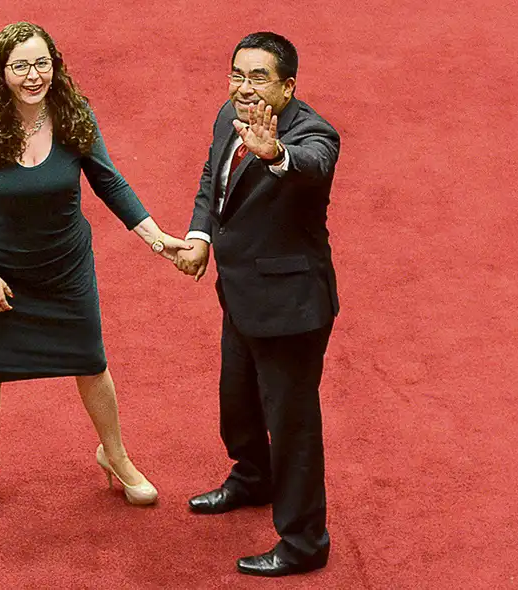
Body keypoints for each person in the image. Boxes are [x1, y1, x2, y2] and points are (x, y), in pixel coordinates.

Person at [0, 21, 190, 520]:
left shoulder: (74, 116)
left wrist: (156, 237)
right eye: (20, 66)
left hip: (65, 270)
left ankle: (114, 455)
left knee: (91, 364)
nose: (33, 75)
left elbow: (110, 183)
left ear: (54, 66)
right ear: (0, 72)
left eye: (42, 63)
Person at [175, 32, 341, 577]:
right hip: (241, 294)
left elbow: (311, 164)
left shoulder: (313, 134)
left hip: (291, 309)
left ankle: (304, 542)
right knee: (238, 402)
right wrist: (200, 235)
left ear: (288, 87)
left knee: (292, 427)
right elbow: (213, 177)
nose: (243, 89)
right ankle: (252, 478)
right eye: (237, 75)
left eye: (259, 78)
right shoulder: (230, 115)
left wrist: (276, 154)